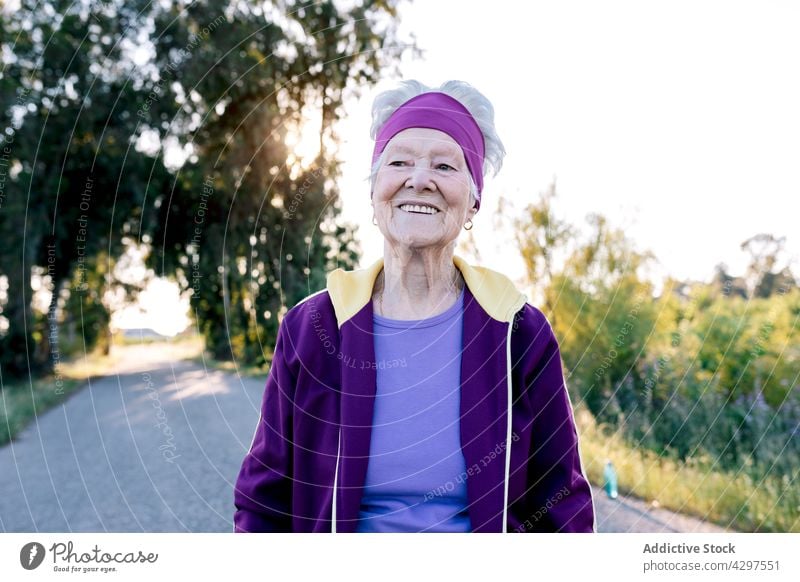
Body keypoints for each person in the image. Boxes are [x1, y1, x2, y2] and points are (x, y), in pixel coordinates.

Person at [233, 80, 596, 533]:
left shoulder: (519, 332)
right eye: (399, 161)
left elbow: (562, 500)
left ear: (473, 200)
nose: (419, 179)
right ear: (374, 191)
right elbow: (263, 499)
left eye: (445, 165)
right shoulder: (312, 327)